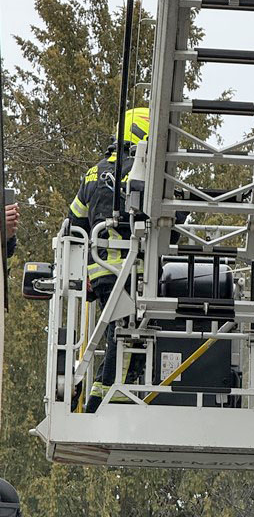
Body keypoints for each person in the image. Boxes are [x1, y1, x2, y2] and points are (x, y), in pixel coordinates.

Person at [68, 107, 150, 412]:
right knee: (127, 336)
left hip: (100, 273)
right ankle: (106, 401)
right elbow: (175, 218)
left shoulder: (93, 172)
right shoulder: (144, 171)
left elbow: (73, 223)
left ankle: (102, 396)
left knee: (118, 332)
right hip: (132, 273)